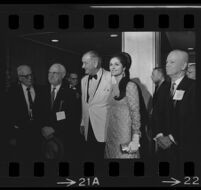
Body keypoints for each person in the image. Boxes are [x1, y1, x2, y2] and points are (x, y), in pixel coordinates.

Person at [152, 50, 196, 176]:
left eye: (172, 62)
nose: (167, 65)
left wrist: (171, 138)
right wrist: (159, 135)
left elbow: (193, 119)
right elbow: (156, 115)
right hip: (163, 148)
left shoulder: (193, 86)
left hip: (184, 148)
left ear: (183, 66)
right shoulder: (164, 87)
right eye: (166, 62)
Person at [104, 52, 141, 159]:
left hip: (124, 133)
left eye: (116, 64)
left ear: (124, 67)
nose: (113, 67)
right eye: (111, 64)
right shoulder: (111, 86)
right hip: (111, 132)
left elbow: (135, 113)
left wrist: (135, 138)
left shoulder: (130, 86)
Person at [38, 63, 78, 161]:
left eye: (54, 73)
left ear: (63, 75)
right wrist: (42, 127)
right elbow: (37, 112)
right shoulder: (40, 91)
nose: (50, 75)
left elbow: (71, 116)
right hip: (42, 136)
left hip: (61, 137)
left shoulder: (70, 94)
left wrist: (53, 128)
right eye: (49, 72)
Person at [80, 50, 112, 161]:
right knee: (90, 157)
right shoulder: (83, 80)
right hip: (88, 127)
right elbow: (84, 103)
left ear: (95, 63)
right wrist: (83, 122)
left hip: (104, 128)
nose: (83, 66)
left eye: (85, 63)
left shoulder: (111, 77)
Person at [6, 65, 42, 161]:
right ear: (20, 78)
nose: (30, 78)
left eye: (31, 75)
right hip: (21, 136)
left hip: (39, 134)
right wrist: (12, 136)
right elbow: (8, 116)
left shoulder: (41, 90)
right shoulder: (12, 92)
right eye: (26, 76)